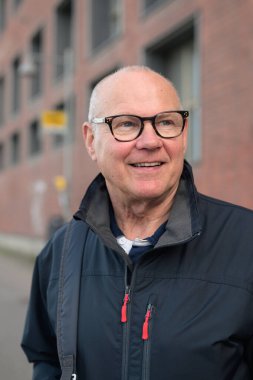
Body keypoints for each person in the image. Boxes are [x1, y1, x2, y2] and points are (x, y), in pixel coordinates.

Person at [21, 65, 253, 380]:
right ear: (91, 140)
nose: (150, 140)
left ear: (183, 136)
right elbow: (47, 360)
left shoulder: (245, 243)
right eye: (127, 124)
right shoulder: (59, 253)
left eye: (166, 122)